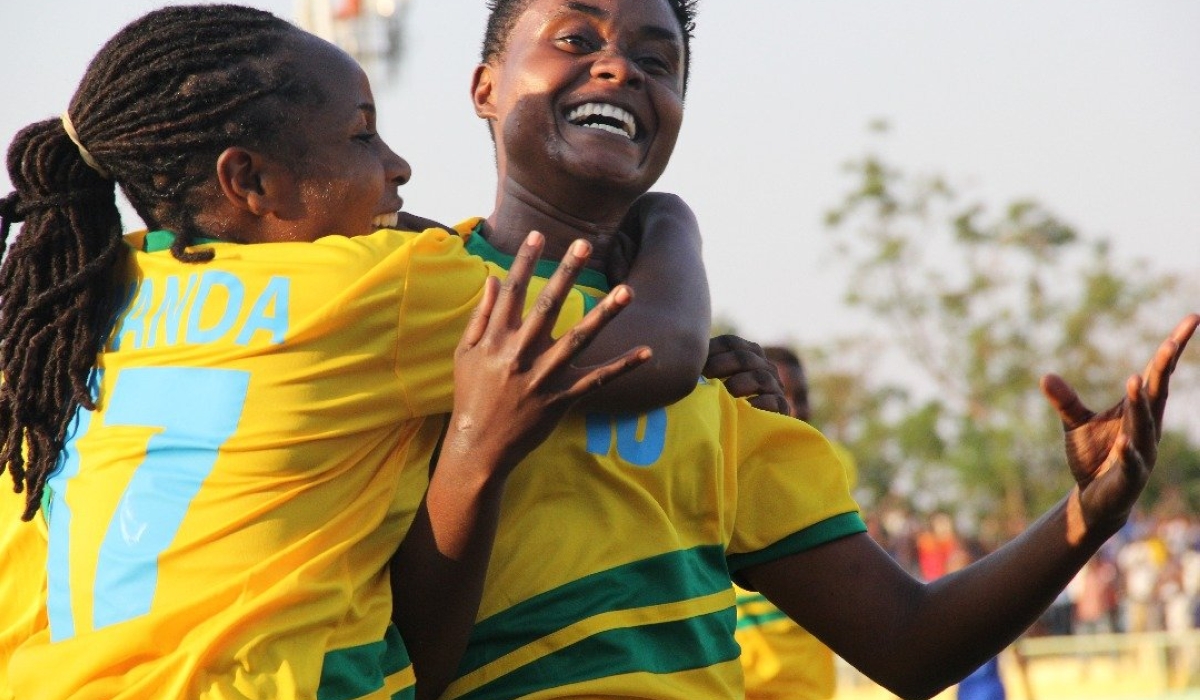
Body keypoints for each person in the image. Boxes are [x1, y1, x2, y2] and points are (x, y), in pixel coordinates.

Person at [417, 1, 1199, 699]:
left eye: (658, 61)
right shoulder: (397, 295)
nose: (619, 66)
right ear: (485, 86)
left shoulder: (721, 393)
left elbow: (909, 641)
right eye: (575, 36)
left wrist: (1090, 515)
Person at [0, 5, 720, 699]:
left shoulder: (70, 311)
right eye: (362, 138)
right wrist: (671, 220)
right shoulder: (380, 287)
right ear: (248, 180)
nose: (398, 166)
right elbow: (659, 345)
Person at [734, 346, 853, 700]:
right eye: (780, 393)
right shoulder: (720, 473)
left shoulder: (830, 466)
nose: (795, 408)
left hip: (810, 691)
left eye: (801, 396)